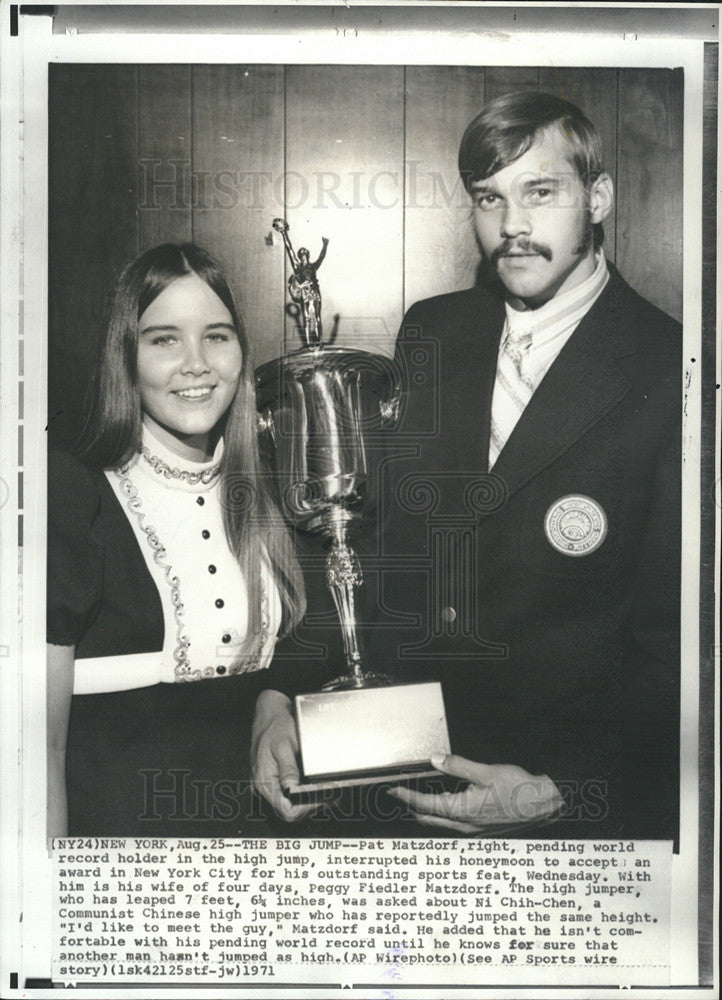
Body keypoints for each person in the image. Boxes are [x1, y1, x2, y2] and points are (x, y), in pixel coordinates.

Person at [252, 91, 681, 840]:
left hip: (558, 805)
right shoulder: (433, 330)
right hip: (394, 780)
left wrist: (561, 790)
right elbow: (362, 535)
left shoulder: (672, 364)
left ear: (598, 197)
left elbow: (676, 639)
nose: (512, 226)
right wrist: (280, 697)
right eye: (490, 198)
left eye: (540, 193)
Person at [47, 243, 306, 837]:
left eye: (216, 336)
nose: (197, 363)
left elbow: (296, 652)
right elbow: (40, 745)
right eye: (164, 339)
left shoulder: (270, 486)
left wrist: (275, 702)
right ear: (127, 357)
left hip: (257, 847)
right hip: (120, 847)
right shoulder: (71, 492)